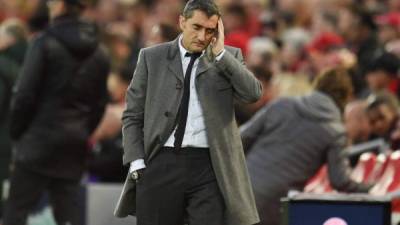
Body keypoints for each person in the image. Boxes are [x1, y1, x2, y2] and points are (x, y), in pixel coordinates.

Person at [114, 1, 262, 225]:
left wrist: (221, 54)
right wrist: (136, 162)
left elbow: (252, 94)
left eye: (210, 30)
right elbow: (133, 115)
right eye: (197, 27)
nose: (203, 36)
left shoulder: (228, 58)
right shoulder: (152, 57)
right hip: (160, 160)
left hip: (209, 166)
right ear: (182, 21)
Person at [3, 0, 110, 224]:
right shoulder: (100, 52)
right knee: (69, 217)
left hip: (36, 143)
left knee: (16, 212)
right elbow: (99, 104)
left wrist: (17, 133)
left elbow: (24, 96)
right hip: (74, 145)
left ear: (61, 6)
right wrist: (81, 130)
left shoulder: (44, 42)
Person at [241, 68, 371, 225]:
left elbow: (241, 137)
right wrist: (371, 189)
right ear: (346, 97)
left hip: (242, 185)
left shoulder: (281, 104)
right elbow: (340, 181)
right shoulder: (335, 132)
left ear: (318, 85)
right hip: (275, 202)